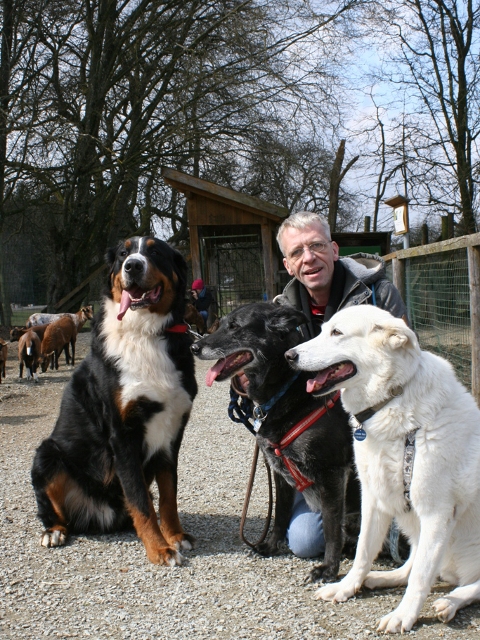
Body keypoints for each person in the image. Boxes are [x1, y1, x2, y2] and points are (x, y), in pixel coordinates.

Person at [274, 210, 409, 558]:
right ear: (288, 265)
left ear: (334, 249)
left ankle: (377, 514)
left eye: (317, 245)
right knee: (305, 543)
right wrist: (245, 384)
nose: (309, 257)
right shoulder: (279, 312)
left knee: (415, 540)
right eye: (297, 252)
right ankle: (349, 519)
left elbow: (403, 365)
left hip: (379, 438)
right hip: (322, 453)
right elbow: (272, 384)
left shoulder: (378, 294)